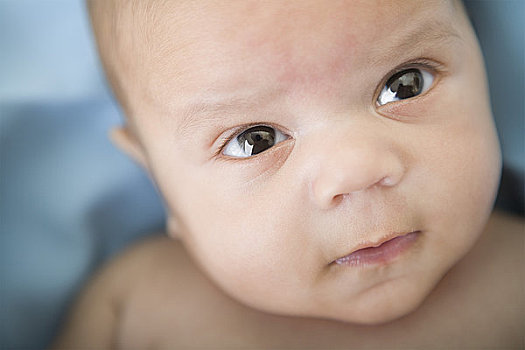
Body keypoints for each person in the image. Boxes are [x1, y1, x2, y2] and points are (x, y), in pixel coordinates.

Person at [51, 0, 524, 348]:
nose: (355, 171)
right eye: (255, 139)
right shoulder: (136, 304)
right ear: (159, 181)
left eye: (405, 84)